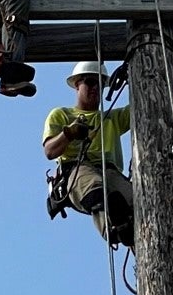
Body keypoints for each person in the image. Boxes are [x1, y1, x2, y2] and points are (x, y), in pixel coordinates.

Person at [43, 61, 134, 247]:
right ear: (77, 84)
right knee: (95, 187)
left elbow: (142, 104)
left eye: (100, 85)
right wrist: (68, 133)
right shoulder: (62, 115)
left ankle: (135, 235)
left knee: (136, 201)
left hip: (110, 172)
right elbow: (50, 151)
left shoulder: (111, 118)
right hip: (76, 170)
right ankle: (112, 227)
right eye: (90, 82)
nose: (95, 89)